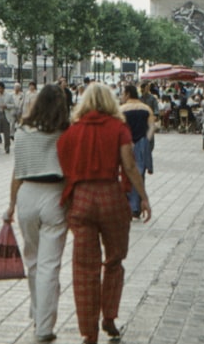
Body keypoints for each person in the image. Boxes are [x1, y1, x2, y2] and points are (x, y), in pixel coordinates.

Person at [57, 83, 151, 344]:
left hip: (82, 200)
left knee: (84, 268)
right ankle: (109, 315)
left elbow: (64, 167)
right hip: (111, 196)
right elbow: (129, 166)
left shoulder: (72, 131)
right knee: (114, 260)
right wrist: (142, 197)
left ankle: (89, 331)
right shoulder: (118, 128)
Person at [6, 84, 71, 343]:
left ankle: (36, 310)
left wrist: (11, 205)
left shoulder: (22, 132)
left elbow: (16, 173)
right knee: (49, 265)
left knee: (32, 259)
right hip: (55, 194)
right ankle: (44, 325)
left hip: (27, 195)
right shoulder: (65, 133)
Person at [120, 84, 155, 219]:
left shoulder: (121, 110)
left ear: (128, 94)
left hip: (127, 144)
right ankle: (137, 205)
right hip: (141, 144)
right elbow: (152, 126)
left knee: (127, 173)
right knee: (140, 174)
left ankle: (130, 205)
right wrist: (146, 139)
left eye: (123, 94)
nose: (121, 97)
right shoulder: (146, 108)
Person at [0, 81, 16, 154]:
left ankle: (7, 148)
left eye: (0, 88)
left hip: (5, 114)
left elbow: (13, 105)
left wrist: (7, 106)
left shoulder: (9, 95)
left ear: (3, 89)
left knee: (6, 133)